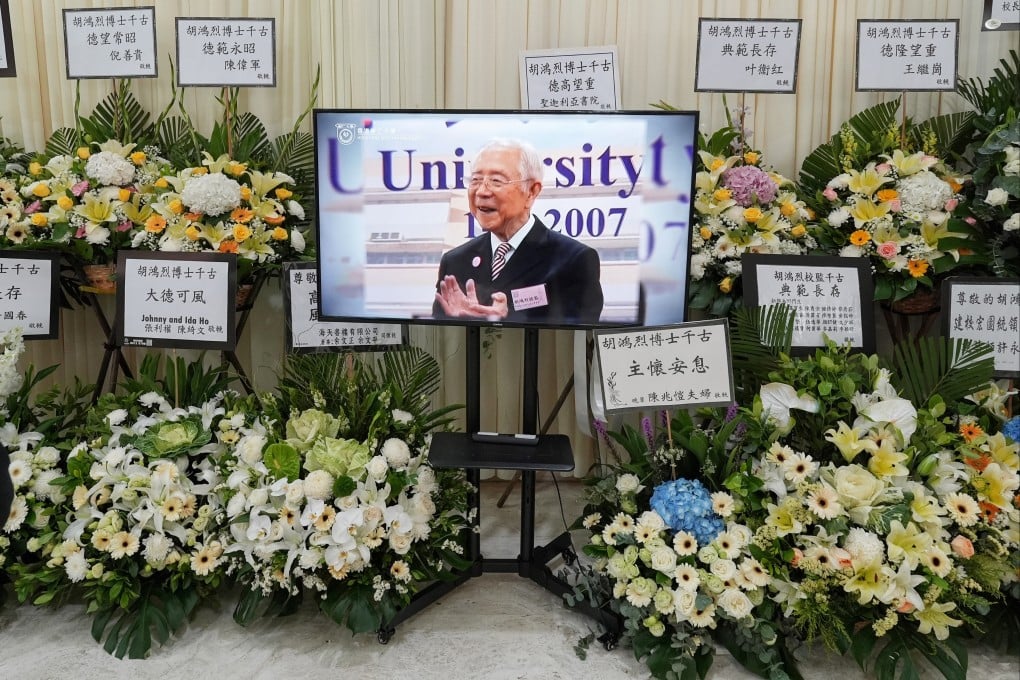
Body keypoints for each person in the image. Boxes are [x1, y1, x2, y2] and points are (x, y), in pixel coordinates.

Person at [433, 138, 603, 324]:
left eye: (496, 181)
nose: (482, 191)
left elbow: (576, 338)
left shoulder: (575, 260)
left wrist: (506, 321)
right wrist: (456, 325)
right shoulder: (455, 261)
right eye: (476, 180)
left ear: (531, 191)